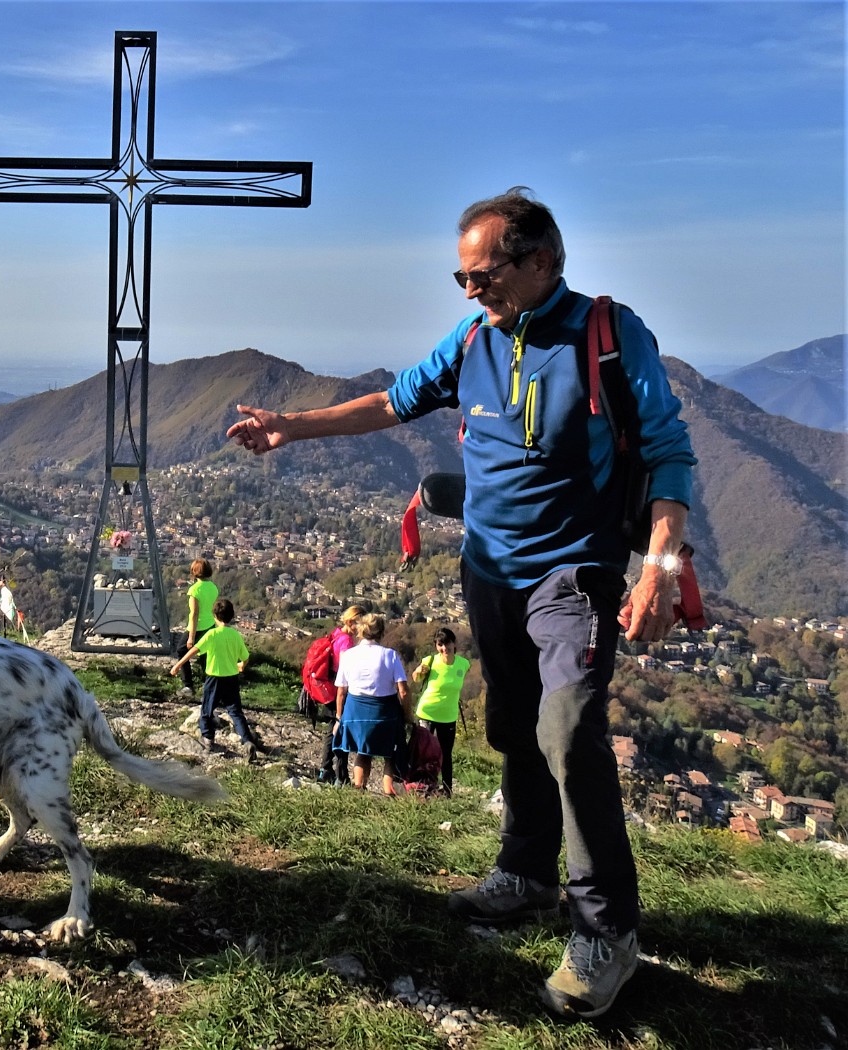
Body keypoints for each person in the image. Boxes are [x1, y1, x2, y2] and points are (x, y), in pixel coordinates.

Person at [227, 187, 695, 1019]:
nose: (472, 289)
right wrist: (290, 426)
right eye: (462, 276)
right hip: (491, 569)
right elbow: (393, 399)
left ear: (542, 259)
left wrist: (659, 563)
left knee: (568, 729)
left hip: (572, 573)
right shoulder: (475, 336)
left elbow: (666, 452)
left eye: (486, 273)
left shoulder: (608, 336)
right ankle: (525, 873)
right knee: (514, 726)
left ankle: (605, 929)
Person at [332, 613, 412, 794]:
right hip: (385, 714)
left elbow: (341, 692)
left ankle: (358, 789)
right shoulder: (390, 655)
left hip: (355, 713)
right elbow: (403, 691)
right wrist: (407, 715)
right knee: (390, 755)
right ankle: (389, 794)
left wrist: (339, 718)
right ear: (381, 632)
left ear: (360, 631)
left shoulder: (348, 655)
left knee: (362, 751)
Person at [169, 598, 256, 760]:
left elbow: (193, 651)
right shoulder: (235, 635)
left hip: (214, 678)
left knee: (207, 710)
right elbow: (245, 656)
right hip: (231, 678)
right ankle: (247, 741)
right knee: (236, 712)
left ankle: (208, 740)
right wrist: (241, 666)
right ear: (232, 616)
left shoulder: (212, 634)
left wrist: (178, 665)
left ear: (215, 616)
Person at [410, 627, 471, 796]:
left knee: (446, 755)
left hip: (449, 716)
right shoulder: (429, 661)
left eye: (447, 643)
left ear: (454, 643)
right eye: (440, 644)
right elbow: (416, 679)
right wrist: (418, 671)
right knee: (423, 753)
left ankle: (448, 790)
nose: (444, 648)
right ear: (436, 646)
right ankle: (421, 787)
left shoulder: (463, 664)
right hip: (427, 713)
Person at [312, 605, 366, 785]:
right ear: (352, 622)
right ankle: (341, 775)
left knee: (332, 729)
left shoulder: (336, 634)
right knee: (341, 728)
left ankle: (325, 769)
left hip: (329, 685)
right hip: (340, 688)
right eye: (359, 624)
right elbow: (345, 668)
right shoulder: (347, 641)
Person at [174, 559, 218, 696]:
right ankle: (211, 688)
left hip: (197, 626)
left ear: (194, 572)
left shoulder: (194, 590)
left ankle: (188, 686)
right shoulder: (213, 587)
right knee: (206, 656)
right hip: (210, 625)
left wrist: (191, 638)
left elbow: (194, 614)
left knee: (181, 650)